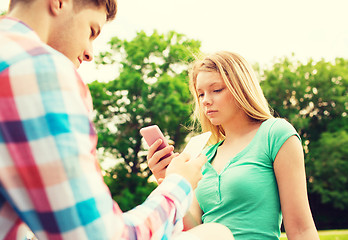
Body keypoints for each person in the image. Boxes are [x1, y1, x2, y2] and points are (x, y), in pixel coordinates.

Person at [0, 0, 234, 239]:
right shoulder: (38, 69)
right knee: (217, 233)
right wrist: (178, 184)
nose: (90, 53)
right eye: (91, 31)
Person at [147, 51, 320, 240]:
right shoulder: (204, 156)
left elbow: (301, 230)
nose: (205, 100)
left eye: (217, 90)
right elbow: (194, 228)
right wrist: (169, 181)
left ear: (241, 88)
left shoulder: (275, 134)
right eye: (201, 94)